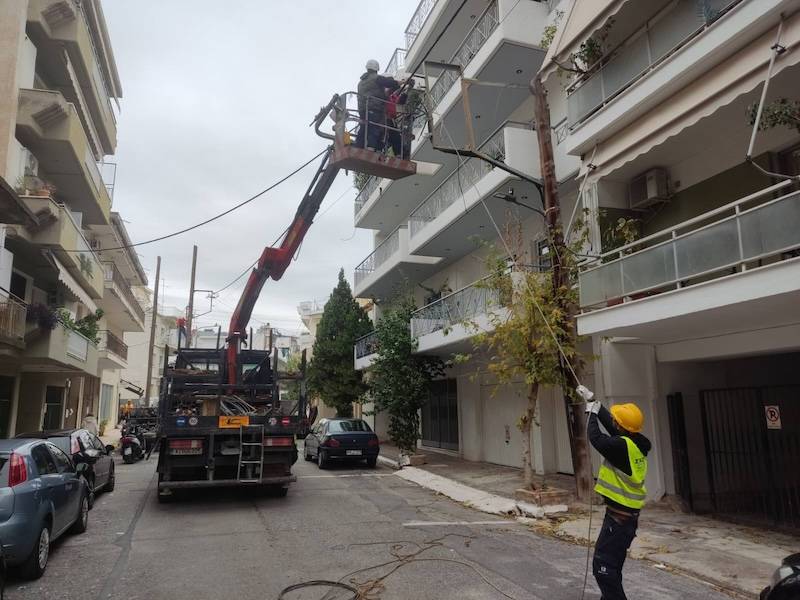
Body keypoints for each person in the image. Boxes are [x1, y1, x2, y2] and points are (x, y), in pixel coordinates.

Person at [585, 400, 651, 600]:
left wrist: (591, 414)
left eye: (615, 420)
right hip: (625, 518)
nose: (613, 421)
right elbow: (616, 429)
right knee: (611, 568)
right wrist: (595, 403)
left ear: (620, 425)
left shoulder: (620, 446)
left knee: (603, 569)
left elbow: (596, 438)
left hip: (619, 520)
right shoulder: (636, 442)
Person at [355, 59, 400, 151]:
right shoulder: (375, 78)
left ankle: (357, 147)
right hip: (373, 107)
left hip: (362, 109)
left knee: (364, 128)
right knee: (374, 127)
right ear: (376, 68)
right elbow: (389, 83)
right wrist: (400, 82)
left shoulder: (361, 82)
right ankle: (370, 148)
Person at [385, 79, 415, 159]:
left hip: (391, 120)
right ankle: (397, 153)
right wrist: (404, 82)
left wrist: (408, 88)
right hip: (384, 119)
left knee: (395, 137)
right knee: (392, 136)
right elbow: (393, 90)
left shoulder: (392, 97)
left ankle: (399, 154)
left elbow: (401, 100)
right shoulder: (383, 95)